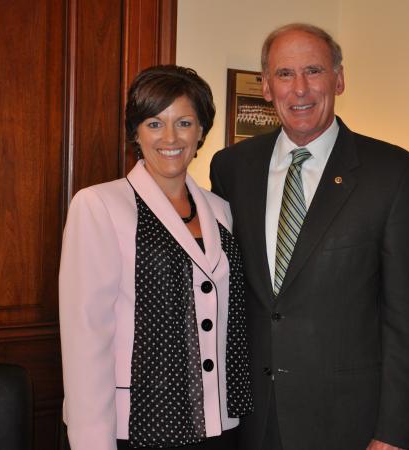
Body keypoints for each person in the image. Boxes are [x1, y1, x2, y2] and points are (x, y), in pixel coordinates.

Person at [210, 23, 409, 450]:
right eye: (285, 74)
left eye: (313, 70)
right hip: (250, 417)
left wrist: (395, 433)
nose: (300, 89)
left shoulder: (394, 173)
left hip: (348, 422)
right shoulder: (231, 168)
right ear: (267, 87)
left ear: (339, 79)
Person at [59, 65, 253, 450]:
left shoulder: (220, 210)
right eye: (154, 123)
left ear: (200, 132)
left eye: (183, 122)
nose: (170, 137)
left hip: (218, 423)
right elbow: (86, 336)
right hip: (140, 424)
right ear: (135, 132)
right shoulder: (100, 204)